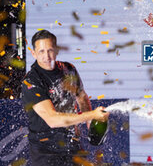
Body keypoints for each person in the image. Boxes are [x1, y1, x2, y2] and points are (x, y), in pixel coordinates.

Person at [21, 30, 109, 166]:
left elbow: (82, 98)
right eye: (41, 52)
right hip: (46, 151)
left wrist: (91, 123)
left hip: (72, 144)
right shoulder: (31, 81)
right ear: (33, 53)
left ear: (56, 50)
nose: (47, 56)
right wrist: (91, 114)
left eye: (50, 50)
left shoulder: (69, 69)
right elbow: (52, 119)